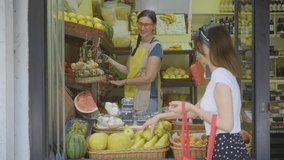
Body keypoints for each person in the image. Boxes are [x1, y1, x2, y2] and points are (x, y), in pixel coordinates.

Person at [143, 24, 250, 159]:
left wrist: (193, 108)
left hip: (226, 147)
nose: (198, 51)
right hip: (223, 145)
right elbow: (192, 112)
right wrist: (159, 117)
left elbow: (227, 124)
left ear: (212, 47)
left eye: (200, 46)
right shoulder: (219, 76)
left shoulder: (221, 79)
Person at [103, 9, 163, 113]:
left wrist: (124, 82)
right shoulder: (136, 44)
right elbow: (128, 70)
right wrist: (110, 60)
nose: (143, 28)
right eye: (140, 23)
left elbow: (149, 78)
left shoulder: (155, 47)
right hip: (130, 97)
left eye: (147, 25)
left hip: (146, 99)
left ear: (154, 26)